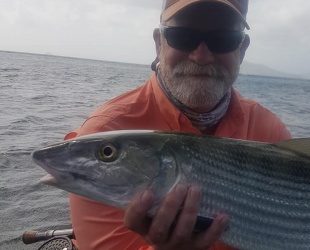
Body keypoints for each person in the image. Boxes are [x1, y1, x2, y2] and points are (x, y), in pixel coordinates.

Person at [65, 0, 293, 249]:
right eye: (183, 36)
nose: (202, 55)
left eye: (223, 38)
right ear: (158, 43)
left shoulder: (270, 132)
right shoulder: (105, 134)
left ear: (242, 49)